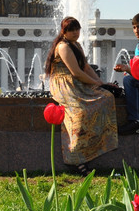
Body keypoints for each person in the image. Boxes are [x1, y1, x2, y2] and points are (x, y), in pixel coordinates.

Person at [45, 17, 118, 175]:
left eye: (77, 29)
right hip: (63, 84)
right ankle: (75, 157)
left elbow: (85, 67)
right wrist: (95, 83)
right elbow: (76, 72)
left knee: (107, 97)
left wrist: (100, 83)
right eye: (71, 30)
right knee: (79, 111)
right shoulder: (63, 46)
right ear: (64, 31)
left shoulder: (76, 45)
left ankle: (91, 149)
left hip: (76, 82)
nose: (75, 33)